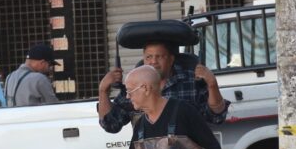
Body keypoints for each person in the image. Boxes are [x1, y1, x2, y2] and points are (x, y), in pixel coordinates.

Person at [97, 40, 227, 133]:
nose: (153, 61)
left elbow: (216, 117)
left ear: (171, 59)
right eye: (149, 57)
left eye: (159, 56)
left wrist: (212, 84)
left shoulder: (191, 81)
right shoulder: (134, 86)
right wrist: (103, 90)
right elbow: (111, 124)